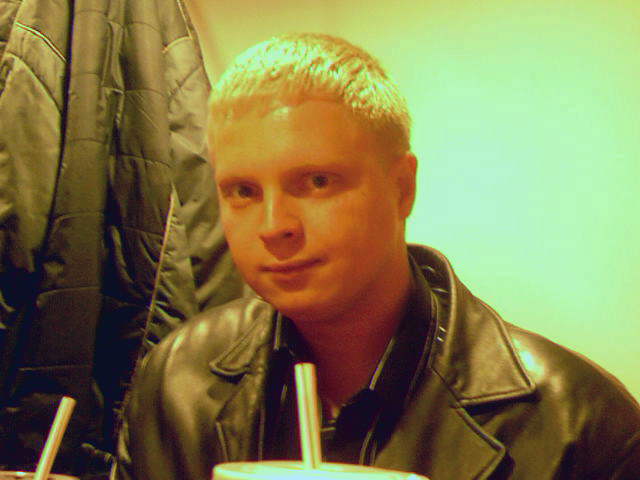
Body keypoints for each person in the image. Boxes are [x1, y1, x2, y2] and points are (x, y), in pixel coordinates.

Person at [113, 33, 640, 480]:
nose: (274, 226)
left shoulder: (577, 426)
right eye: (243, 192)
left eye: (317, 182)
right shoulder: (177, 380)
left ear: (401, 188)